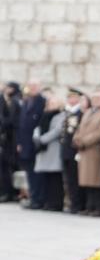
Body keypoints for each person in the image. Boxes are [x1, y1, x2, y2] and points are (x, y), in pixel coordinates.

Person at [74, 92, 100, 216]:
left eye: (98, 98)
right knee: (86, 180)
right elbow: (80, 128)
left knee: (96, 180)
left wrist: (85, 141)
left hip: (95, 150)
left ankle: (98, 207)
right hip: (84, 150)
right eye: (94, 98)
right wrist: (77, 139)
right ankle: (89, 206)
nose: (96, 100)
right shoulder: (88, 112)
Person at [32, 94, 67, 212]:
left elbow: (57, 131)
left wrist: (42, 139)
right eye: (50, 103)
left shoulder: (62, 115)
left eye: (53, 103)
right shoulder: (45, 114)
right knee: (46, 178)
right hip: (43, 150)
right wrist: (36, 137)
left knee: (55, 179)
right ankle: (47, 201)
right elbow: (37, 127)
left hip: (53, 150)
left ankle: (56, 203)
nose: (50, 105)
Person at [16, 80, 45, 208]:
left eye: (35, 86)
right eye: (31, 86)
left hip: (35, 144)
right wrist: (19, 142)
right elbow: (20, 125)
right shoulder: (27, 102)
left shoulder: (42, 102)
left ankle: (38, 199)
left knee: (37, 173)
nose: (32, 88)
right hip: (25, 143)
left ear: (40, 87)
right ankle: (33, 197)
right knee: (29, 172)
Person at [60, 88, 87, 213]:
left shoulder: (80, 113)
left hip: (75, 150)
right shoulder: (67, 112)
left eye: (73, 97)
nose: (71, 99)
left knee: (75, 179)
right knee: (69, 179)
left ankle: (77, 204)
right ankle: (72, 202)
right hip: (66, 150)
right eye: (69, 97)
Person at [0, 82, 21, 202]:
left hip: (13, 140)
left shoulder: (15, 101)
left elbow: (11, 121)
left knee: (11, 167)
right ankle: (9, 192)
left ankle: (12, 193)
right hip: (8, 140)